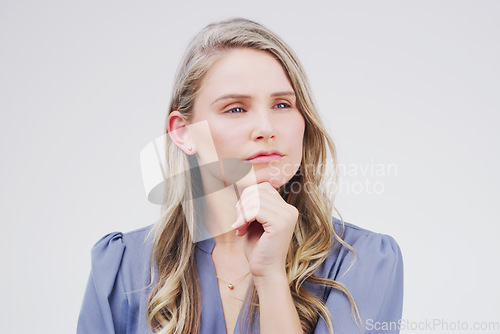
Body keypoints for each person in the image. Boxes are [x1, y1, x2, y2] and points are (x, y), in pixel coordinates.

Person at [77, 18, 403, 334]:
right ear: (184, 132)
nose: (266, 128)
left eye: (282, 105)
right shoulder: (122, 267)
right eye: (236, 108)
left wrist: (270, 276)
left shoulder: (362, 262)